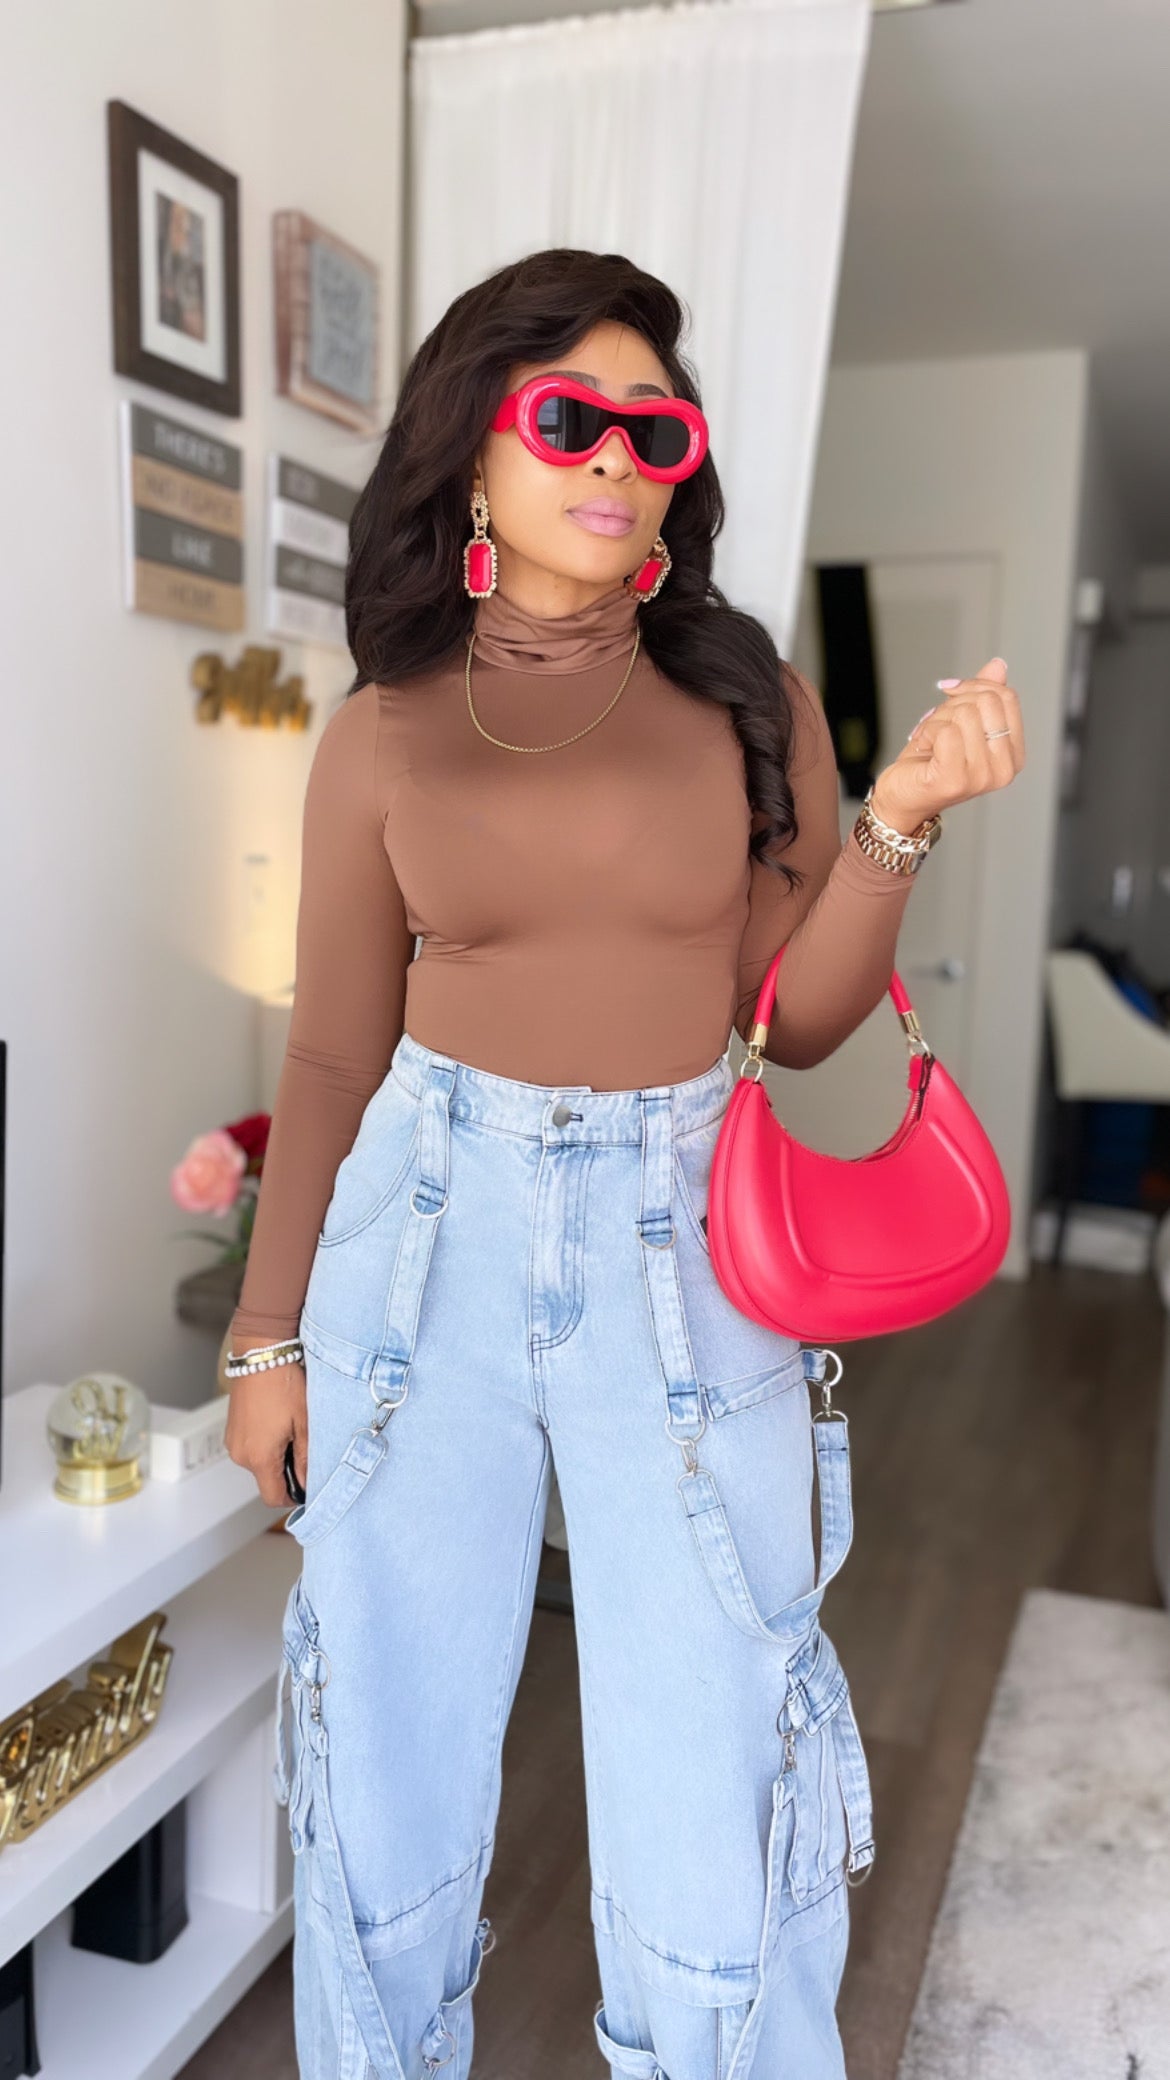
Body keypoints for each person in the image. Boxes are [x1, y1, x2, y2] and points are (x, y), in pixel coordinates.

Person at [224, 247, 1024, 2080]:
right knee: (388, 1752)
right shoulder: (381, 728)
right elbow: (335, 1054)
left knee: (713, 1745)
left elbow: (793, 1023)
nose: (614, 456)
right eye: (567, 416)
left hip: (687, 1245)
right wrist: (265, 1338)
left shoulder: (747, 701)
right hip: (421, 1249)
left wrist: (896, 822)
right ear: (473, 450)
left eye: (653, 431)